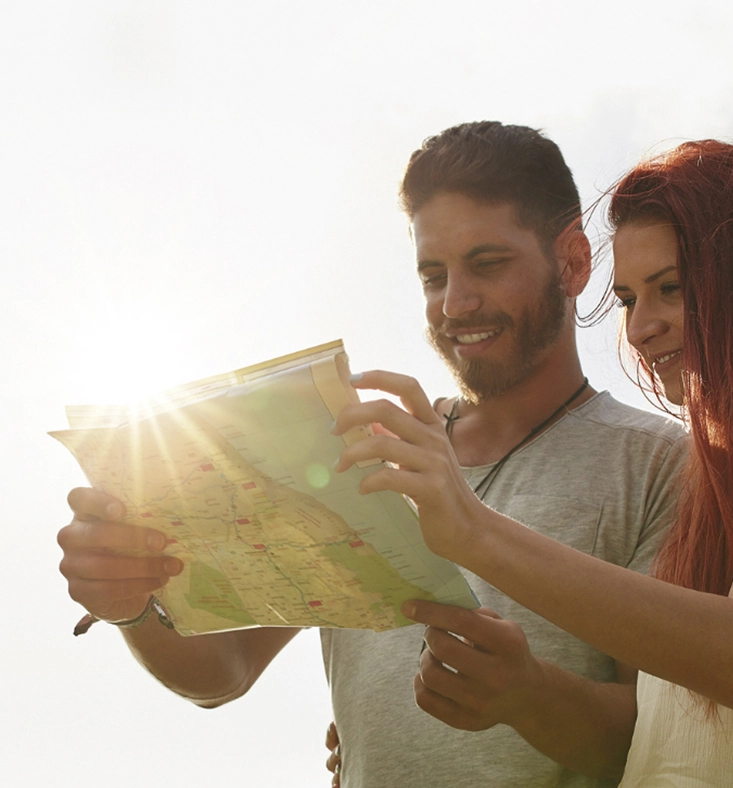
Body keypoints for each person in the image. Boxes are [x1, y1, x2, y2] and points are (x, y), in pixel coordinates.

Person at [58, 122, 688, 788]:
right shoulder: (365, 449)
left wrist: (530, 697)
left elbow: (663, 741)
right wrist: (131, 602)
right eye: (433, 275)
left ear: (572, 262)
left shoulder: (658, 465)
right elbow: (224, 671)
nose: (455, 303)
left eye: (488, 264)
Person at [333, 139, 733, 786]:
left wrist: (474, 531)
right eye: (627, 300)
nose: (642, 326)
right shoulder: (715, 466)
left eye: (670, 289)